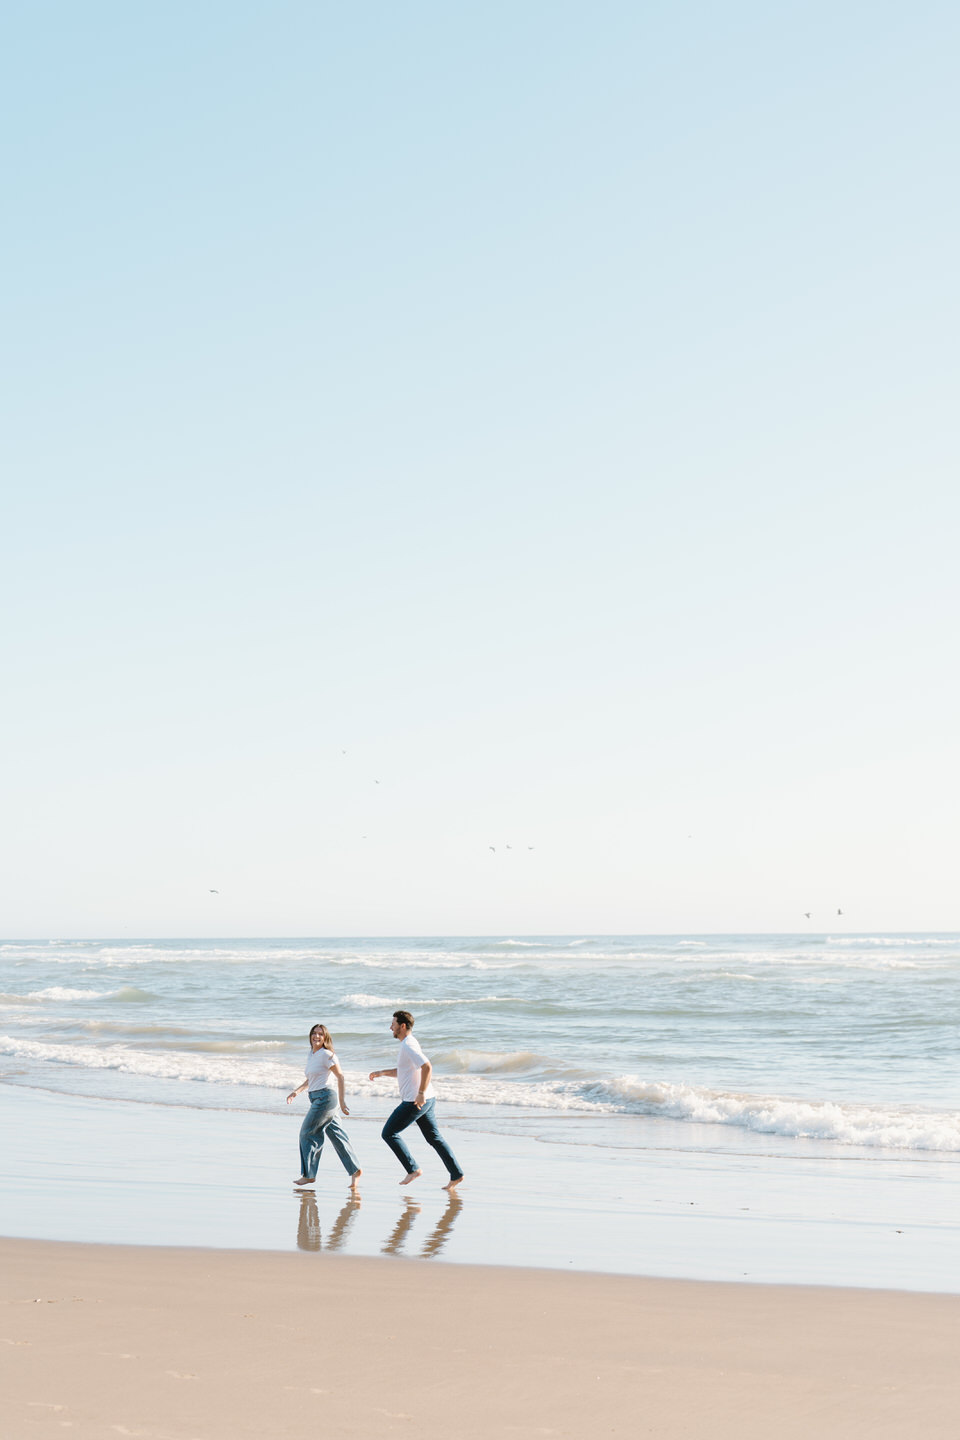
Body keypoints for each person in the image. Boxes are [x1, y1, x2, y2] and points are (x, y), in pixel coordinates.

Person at [368, 1010, 464, 1190]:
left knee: (389, 1133)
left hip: (415, 1101)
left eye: (393, 1024)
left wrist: (420, 1093)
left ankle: (413, 1169)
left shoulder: (407, 1045)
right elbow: (404, 1071)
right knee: (434, 1138)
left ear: (402, 1026)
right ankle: (456, 1173)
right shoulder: (409, 1043)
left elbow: (427, 1066)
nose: (391, 1027)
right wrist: (382, 1073)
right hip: (428, 1099)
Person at [287, 1023, 361, 1188]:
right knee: (338, 1136)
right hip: (316, 1098)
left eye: (320, 1034)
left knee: (307, 1133)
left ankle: (309, 1175)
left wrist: (342, 1102)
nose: (317, 1036)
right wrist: (296, 1092)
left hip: (326, 1099)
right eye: (314, 1033)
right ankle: (355, 1171)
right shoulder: (312, 1054)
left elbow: (340, 1077)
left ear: (325, 1037)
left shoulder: (328, 1055)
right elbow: (311, 1080)